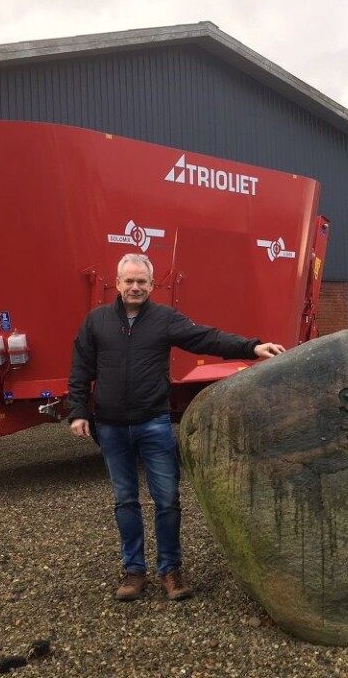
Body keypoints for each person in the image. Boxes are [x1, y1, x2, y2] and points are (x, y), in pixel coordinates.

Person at [67, 253, 285, 602]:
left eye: (142, 281)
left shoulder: (164, 319)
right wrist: (78, 412)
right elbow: (80, 369)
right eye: (129, 281)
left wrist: (252, 346)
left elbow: (206, 338)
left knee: (167, 500)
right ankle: (133, 571)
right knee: (125, 501)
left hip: (153, 423)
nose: (135, 287)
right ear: (118, 283)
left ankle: (170, 570)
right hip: (110, 427)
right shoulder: (96, 322)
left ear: (152, 285)